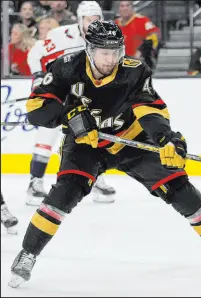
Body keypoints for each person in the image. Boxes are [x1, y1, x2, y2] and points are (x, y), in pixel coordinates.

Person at [8, 20, 201, 289]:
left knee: (179, 188)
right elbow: (36, 109)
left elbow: (150, 111)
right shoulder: (66, 66)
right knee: (63, 195)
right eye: (104, 52)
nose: (111, 58)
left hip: (131, 140)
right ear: (89, 49)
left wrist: (165, 139)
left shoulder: (135, 71)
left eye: (115, 51)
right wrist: (70, 116)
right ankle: (28, 252)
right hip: (85, 145)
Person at [26, 1, 116, 206]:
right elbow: (36, 53)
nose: (92, 23)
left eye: (96, 19)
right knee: (46, 135)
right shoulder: (61, 35)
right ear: (79, 19)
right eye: (88, 19)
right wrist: (39, 78)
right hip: (60, 93)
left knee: (93, 137)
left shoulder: (107, 39)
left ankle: (97, 179)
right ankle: (35, 183)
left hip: (86, 97)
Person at [115, 1, 161, 70]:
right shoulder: (114, 24)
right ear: (119, 9)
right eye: (122, 6)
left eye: (127, 5)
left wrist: (142, 52)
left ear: (132, 7)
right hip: (120, 68)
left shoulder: (142, 21)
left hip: (140, 66)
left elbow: (155, 36)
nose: (125, 8)